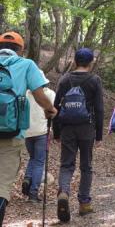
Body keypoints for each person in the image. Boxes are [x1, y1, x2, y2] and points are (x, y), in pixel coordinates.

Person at [0, 31, 57, 226]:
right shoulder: (26, 65)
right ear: (20, 49)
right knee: (2, 185)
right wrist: (50, 110)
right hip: (11, 132)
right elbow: (40, 95)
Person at [53, 48, 104, 222]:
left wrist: (56, 131)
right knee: (86, 166)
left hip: (67, 127)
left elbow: (56, 106)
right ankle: (84, 203)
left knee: (66, 164)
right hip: (87, 128)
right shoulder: (94, 80)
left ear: (75, 61)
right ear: (90, 63)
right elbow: (99, 109)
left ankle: (64, 192)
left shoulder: (64, 79)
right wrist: (99, 135)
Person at [22, 71, 56, 202]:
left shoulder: (26, 94)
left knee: (33, 158)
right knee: (39, 162)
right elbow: (52, 112)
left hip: (27, 132)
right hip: (42, 132)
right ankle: (33, 193)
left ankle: (27, 178)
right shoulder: (50, 94)